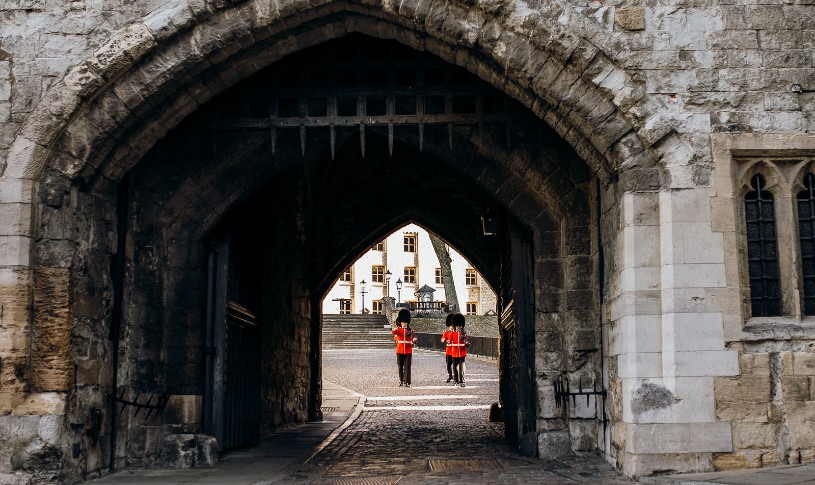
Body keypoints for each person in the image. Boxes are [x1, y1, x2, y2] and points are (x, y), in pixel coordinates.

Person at [392, 309, 418, 387]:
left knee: (407, 367)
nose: (404, 324)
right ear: (401, 322)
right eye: (403, 322)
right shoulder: (398, 330)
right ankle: (401, 380)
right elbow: (394, 332)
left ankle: (407, 381)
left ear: (407, 322)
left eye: (405, 322)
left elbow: (414, 339)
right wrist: (395, 329)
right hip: (399, 350)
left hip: (408, 350)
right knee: (400, 366)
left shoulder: (411, 331)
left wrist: (414, 340)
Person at [450, 313, 470, 387]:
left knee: (461, 366)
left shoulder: (464, 334)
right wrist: (450, 342)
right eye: (457, 325)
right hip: (455, 352)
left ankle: (462, 380)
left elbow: (466, 341)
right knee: (455, 367)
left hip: (462, 352)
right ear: (455, 326)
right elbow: (450, 340)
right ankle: (456, 380)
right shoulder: (453, 334)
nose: (458, 327)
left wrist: (466, 343)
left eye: (460, 326)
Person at [440, 314, 455, 382]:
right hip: (449, 351)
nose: (451, 327)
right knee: (448, 365)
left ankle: (455, 376)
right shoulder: (446, 333)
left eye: (452, 326)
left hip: (455, 351)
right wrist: (444, 340)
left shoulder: (456, 333)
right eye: (451, 326)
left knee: (455, 365)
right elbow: (443, 339)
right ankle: (450, 375)